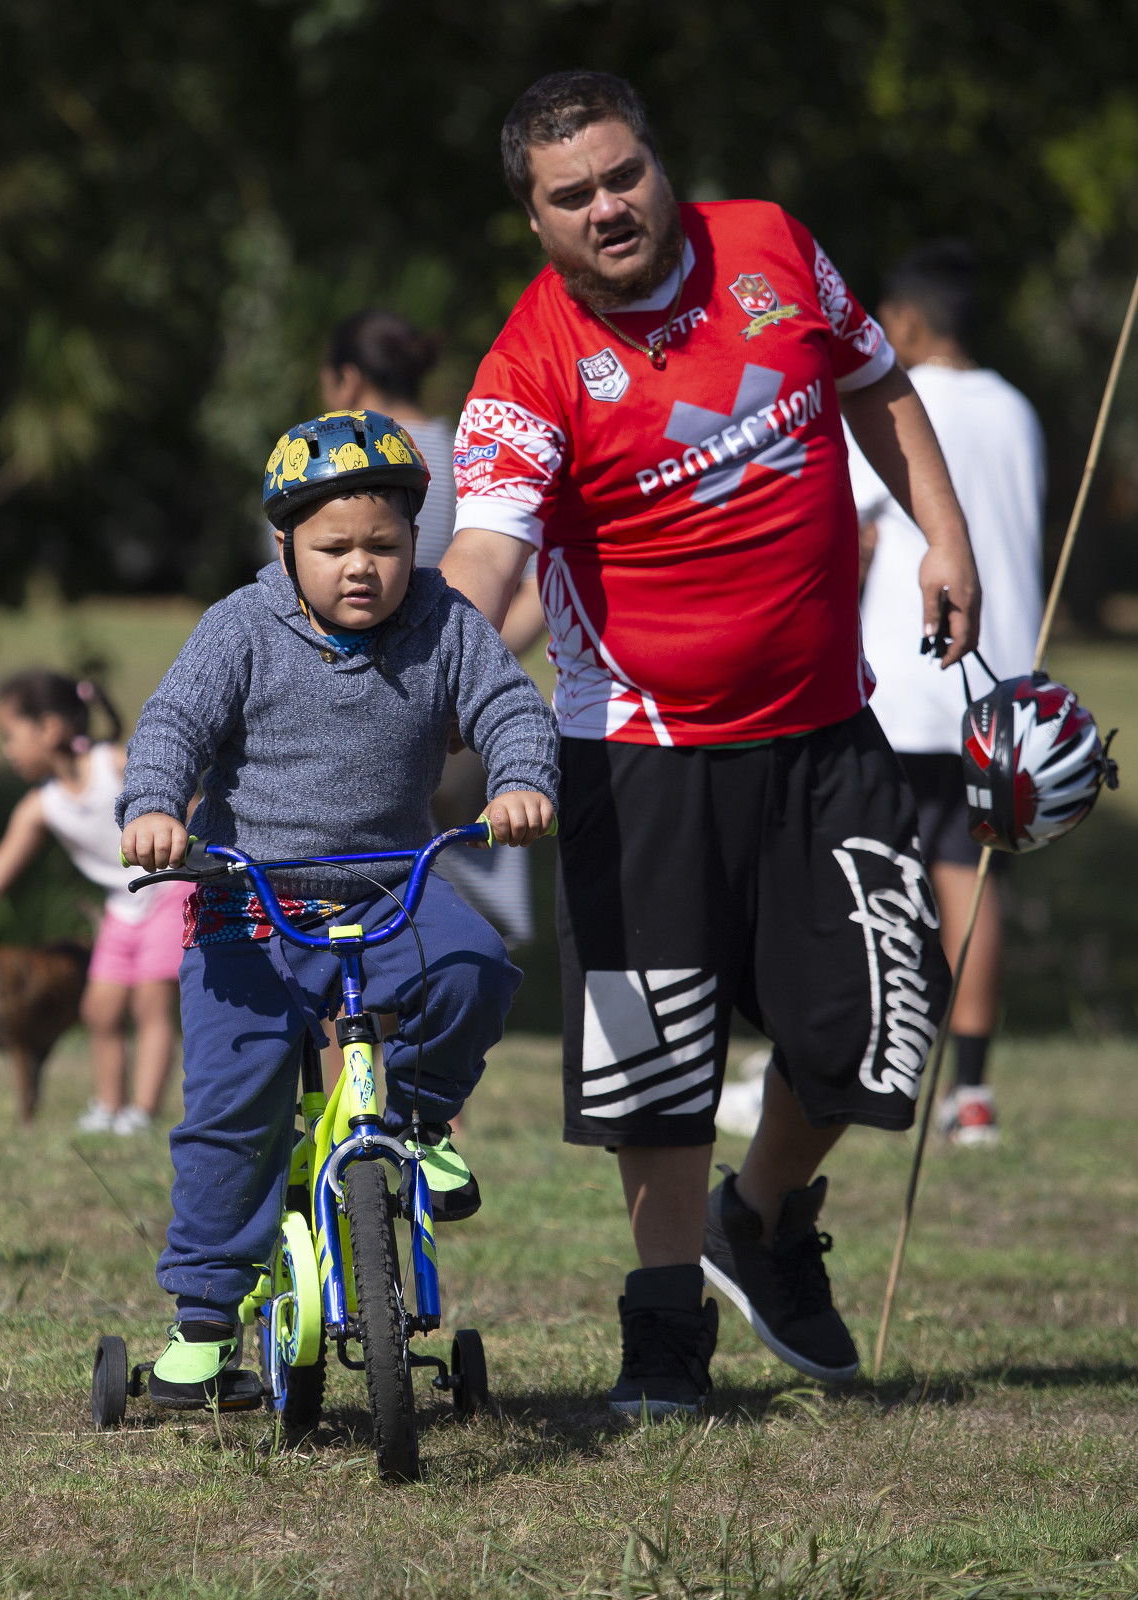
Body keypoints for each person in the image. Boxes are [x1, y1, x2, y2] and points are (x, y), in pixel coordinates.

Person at [440, 70, 978, 1417]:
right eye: (571, 195)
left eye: (622, 174)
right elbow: (487, 556)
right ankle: (663, 1329)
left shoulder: (771, 247)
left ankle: (761, 1212)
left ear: (658, 164)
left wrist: (943, 537)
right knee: (655, 1062)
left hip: (825, 730)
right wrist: (410, 682)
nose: (607, 207)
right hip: (637, 756)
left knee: (879, 1019)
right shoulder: (526, 369)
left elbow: (875, 383)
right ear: (535, 220)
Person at [117, 408, 558, 1405]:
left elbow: (508, 707)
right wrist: (152, 807)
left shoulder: (445, 621)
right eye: (334, 548)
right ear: (286, 546)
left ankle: (418, 1121)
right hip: (249, 901)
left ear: (414, 544)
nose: (361, 566)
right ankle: (204, 1317)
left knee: (474, 970)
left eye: (385, 546)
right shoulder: (241, 626)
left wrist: (521, 780)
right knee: (235, 1106)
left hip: (389, 885)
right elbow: (173, 724)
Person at [848, 241, 1045, 1147]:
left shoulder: (895, 402)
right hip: (1000, 693)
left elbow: (857, 533)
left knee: (867, 874)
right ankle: (971, 1091)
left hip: (905, 674)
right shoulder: (1018, 409)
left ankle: (854, 1061)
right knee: (971, 874)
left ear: (908, 321)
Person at [321, 308, 547, 946]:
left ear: (347, 378)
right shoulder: (471, 450)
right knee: (445, 893)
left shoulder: (328, 465)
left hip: (349, 707)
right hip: (463, 715)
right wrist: (469, 668)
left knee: (358, 899)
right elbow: (535, 588)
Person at [0, 670, 186, 1134]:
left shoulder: (114, 764)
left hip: (170, 890)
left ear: (49, 728)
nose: (7, 750)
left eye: (10, 736)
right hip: (122, 905)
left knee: (151, 1006)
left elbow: (187, 804)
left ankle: (142, 1111)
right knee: (99, 1010)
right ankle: (108, 1107)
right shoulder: (42, 806)